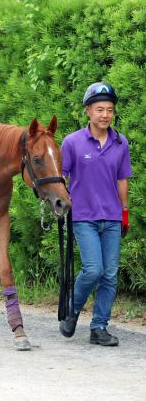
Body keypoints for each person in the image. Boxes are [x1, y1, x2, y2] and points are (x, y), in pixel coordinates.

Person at [59, 82, 132, 346]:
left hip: (112, 218)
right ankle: (72, 309)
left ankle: (99, 327)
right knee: (93, 270)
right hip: (84, 217)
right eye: (100, 109)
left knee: (110, 275)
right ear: (88, 111)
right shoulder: (72, 143)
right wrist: (61, 202)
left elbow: (122, 179)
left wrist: (124, 212)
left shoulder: (120, 143)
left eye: (110, 110)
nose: (105, 115)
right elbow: (61, 177)